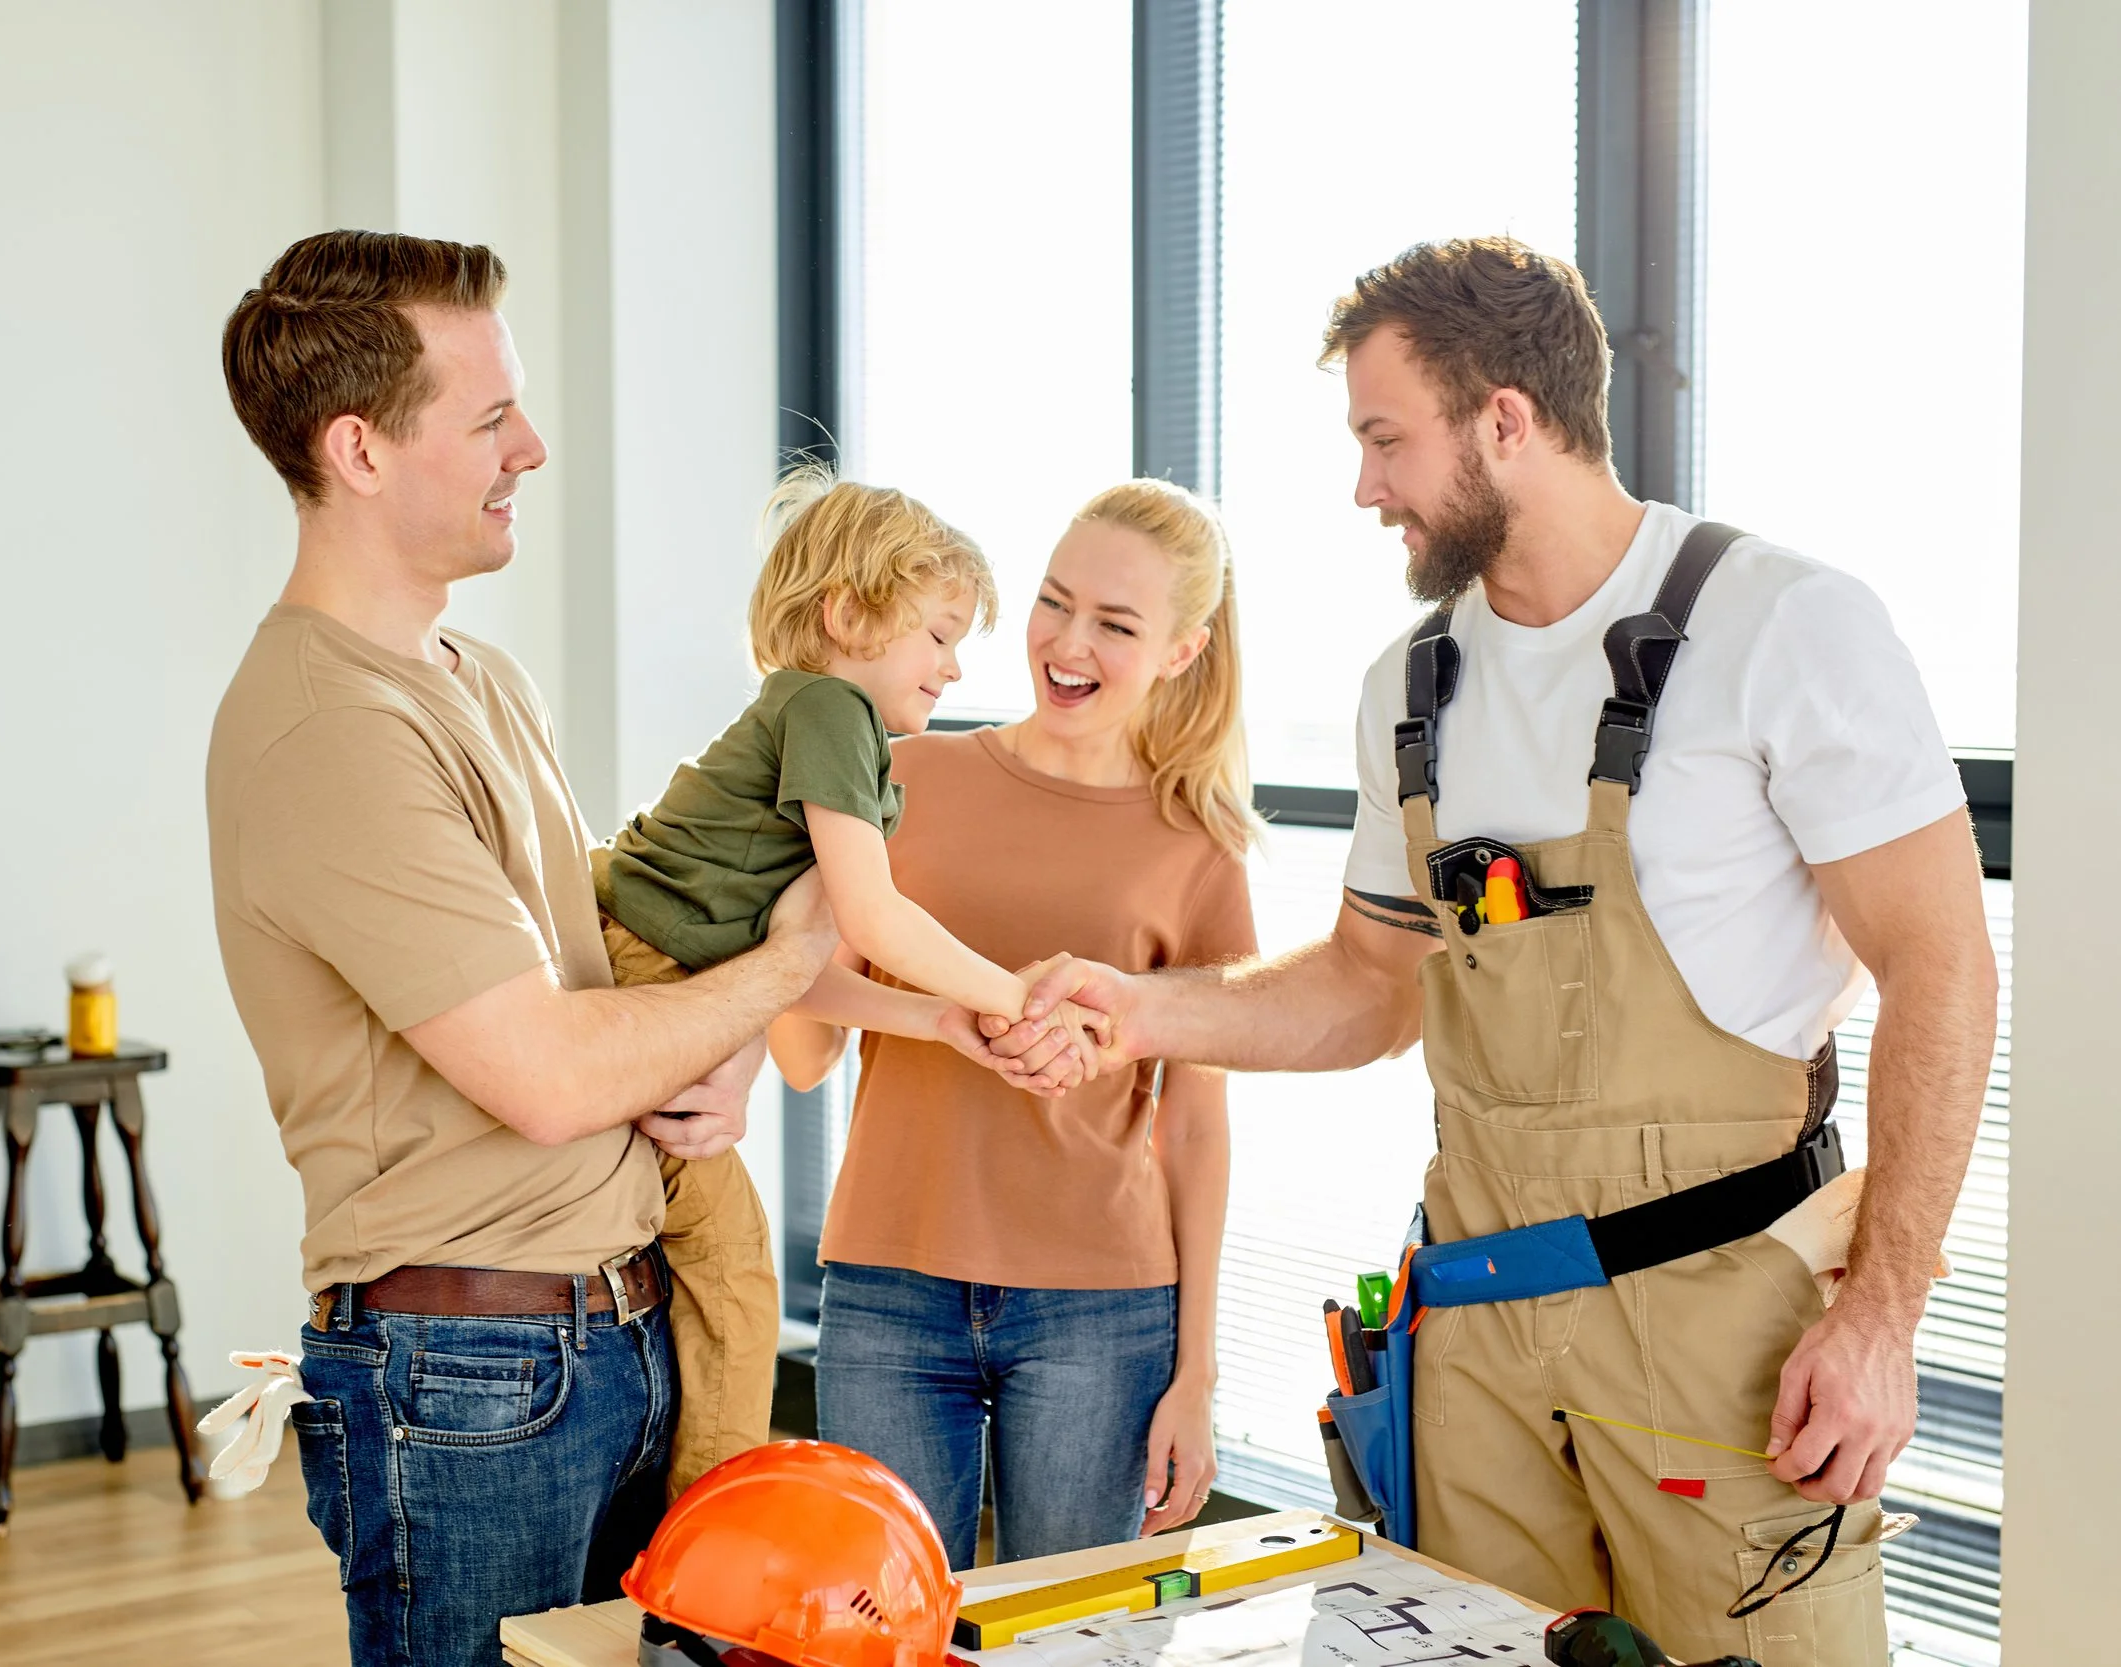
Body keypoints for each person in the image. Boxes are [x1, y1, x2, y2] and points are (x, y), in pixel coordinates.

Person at [1003, 239, 1997, 1664]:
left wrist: (1884, 1314)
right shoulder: (1413, 688)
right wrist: (1138, 1011)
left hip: (1728, 1341)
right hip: (1475, 1338)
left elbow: (1944, 967)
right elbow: (1363, 984)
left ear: (1508, 421)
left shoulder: (1782, 625)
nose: (1365, 487)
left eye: (1385, 439)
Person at [203, 230, 838, 1667]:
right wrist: (787, 963)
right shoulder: (333, 729)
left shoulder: (477, 677)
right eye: (490, 417)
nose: (532, 446)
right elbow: (548, 1073)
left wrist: (726, 1049)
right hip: (467, 1379)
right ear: (358, 448)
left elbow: (597, 966)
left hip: (612, 1334)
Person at [769, 478, 1258, 1568]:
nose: (1066, 641)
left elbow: (1195, 1127)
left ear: (1180, 650)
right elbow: (802, 1039)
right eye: (1053, 600)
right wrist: (886, 988)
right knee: (882, 1631)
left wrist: (1196, 1370)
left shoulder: (1200, 844)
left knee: (1076, 1640)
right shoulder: (899, 774)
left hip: (1105, 1308)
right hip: (890, 1284)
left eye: (1116, 624)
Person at [595, 465, 1098, 1499]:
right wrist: (1017, 997)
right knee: (736, 1282)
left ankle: (693, 1524)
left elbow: (797, 972)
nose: (955, 668)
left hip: (675, 971)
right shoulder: (830, 708)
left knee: (724, 1278)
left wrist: (940, 1019)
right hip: (643, 964)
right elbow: (872, 921)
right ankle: (705, 1552)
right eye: (939, 633)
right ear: (846, 612)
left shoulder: (827, 728)